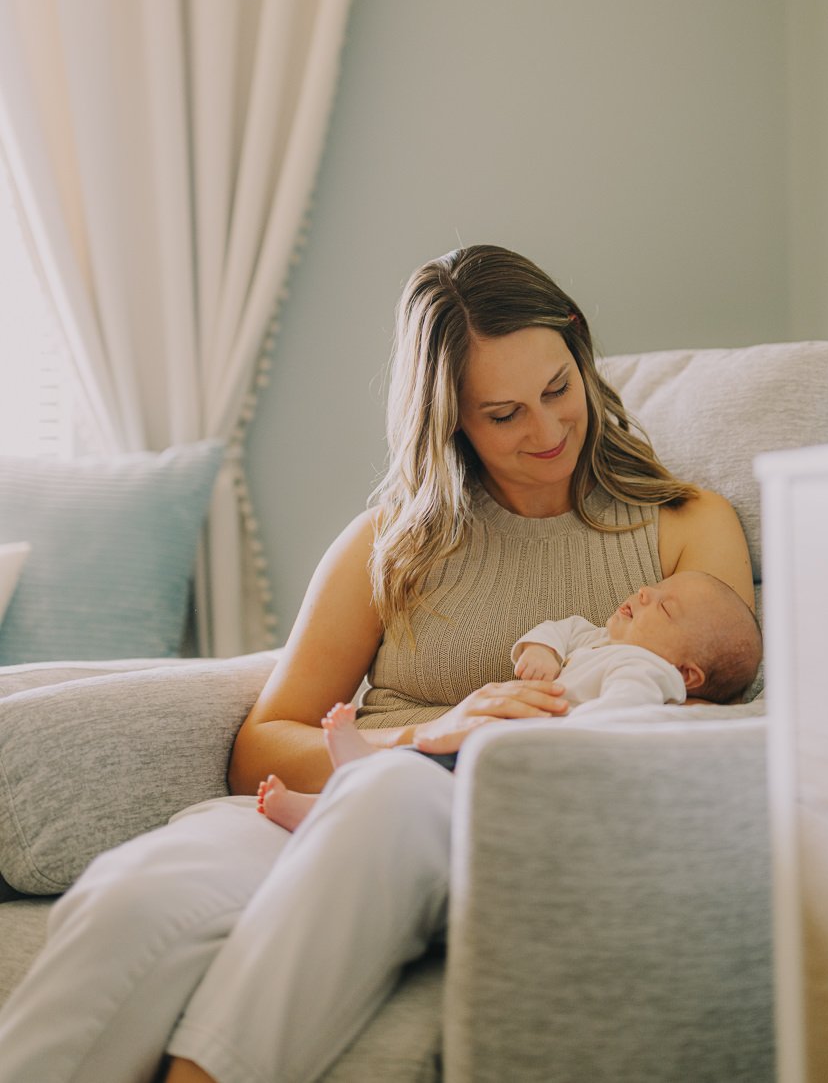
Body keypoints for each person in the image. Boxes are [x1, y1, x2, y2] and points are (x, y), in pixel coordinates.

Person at [0, 245, 756, 1083]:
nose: (546, 432)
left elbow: (723, 718)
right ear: (450, 418)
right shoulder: (392, 542)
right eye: (503, 414)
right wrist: (427, 734)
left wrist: (459, 757)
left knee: (391, 794)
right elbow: (263, 744)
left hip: (484, 819)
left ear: (578, 350)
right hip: (338, 793)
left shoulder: (685, 525)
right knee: (134, 897)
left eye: (556, 390)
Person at [257, 569, 763, 834]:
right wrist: (541, 651)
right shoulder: (600, 638)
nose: (646, 593)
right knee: (427, 768)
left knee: (440, 785)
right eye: (656, 588)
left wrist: (553, 737)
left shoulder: (646, 671)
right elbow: (561, 629)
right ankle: (346, 783)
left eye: (666, 608)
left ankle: (332, 803)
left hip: (531, 749)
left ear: (686, 674)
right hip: (497, 730)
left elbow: (616, 718)